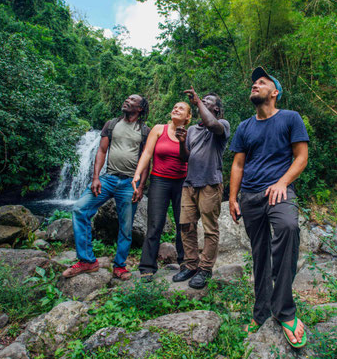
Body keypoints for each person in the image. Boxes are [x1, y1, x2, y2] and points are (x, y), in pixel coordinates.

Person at [229, 67, 309, 348]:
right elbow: (238, 164)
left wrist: (282, 183)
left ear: (274, 92)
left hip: (279, 193)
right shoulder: (244, 127)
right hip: (250, 196)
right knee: (259, 252)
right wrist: (232, 197)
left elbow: (301, 157)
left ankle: (285, 310)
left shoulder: (290, 118)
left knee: (288, 228)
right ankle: (261, 311)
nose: (255, 85)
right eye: (253, 83)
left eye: (261, 83)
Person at [62, 94, 150, 280]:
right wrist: (95, 177)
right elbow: (102, 150)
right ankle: (87, 261)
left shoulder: (144, 130)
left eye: (132, 100)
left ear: (140, 108)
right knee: (80, 209)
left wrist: (141, 186)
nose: (126, 100)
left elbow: (145, 159)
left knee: (126, 227)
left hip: (129, 184)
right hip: (108, 179)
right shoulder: (111, 124)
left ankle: (120, 266)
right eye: (126, 98)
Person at [172, 88, 230, 289]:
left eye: (207, 101)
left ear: (216, 108)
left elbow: (212, 125)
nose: (202, 102)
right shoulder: (193, 131)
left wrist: (197, 102)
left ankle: (205, 269)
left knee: (209, 229)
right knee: (186, 226)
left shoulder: (222, 124)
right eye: (201, 100)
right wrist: (181, 142)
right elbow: (185, 157)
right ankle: (191, 265)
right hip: (189, 184)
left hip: (210, 184)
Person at [132, 102, 192, 282]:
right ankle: (147, 267)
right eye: (175, 107)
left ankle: (185, 263)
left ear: (188, 118)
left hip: (182, 182)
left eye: (181, 109)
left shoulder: (191, 134)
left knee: (183, 224)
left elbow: (190, 158)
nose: (176, 109)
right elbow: (147, 153)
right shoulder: (159, 129)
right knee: (155, 223)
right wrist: (137, 174)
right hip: (159, 181)